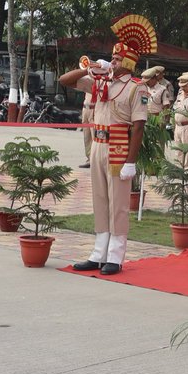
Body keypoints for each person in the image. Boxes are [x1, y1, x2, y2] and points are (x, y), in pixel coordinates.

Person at [60, 14, 155, 275]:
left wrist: (131, 162)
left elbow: (138, 127)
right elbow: (64, 80)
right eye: (111, 57)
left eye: (115, 58)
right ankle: (98, 253)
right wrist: (90, 68)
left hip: (119, 147)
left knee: (118, 204)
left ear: (128, 62)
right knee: (100, 200)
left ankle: (115, 255)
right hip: (98, 146)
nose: (111, 61)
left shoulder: (137, 88)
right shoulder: (101, 82)